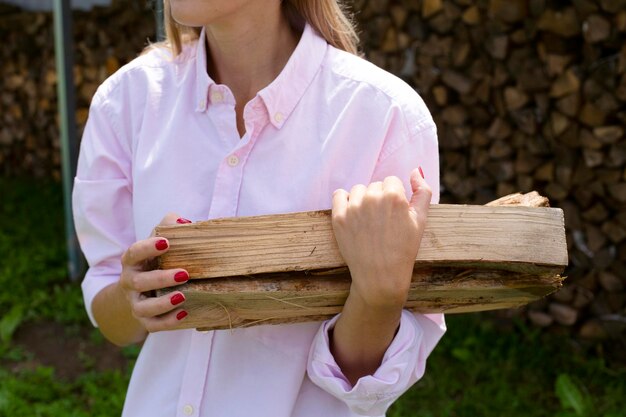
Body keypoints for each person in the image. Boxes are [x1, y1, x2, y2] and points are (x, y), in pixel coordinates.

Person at [73, 0, 446, 416]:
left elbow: (369, 385)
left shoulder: (383, 116)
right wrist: (133, 295)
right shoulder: (126, 102)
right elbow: (111, 317)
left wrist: (378, 298)